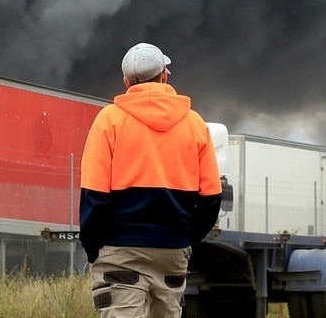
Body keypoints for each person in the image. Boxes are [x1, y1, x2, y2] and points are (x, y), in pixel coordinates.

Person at [79, 42, 222, 318]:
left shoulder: (108, 121)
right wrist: (185, 239)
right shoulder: (195, 124)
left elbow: (94, 196)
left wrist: (93, 248)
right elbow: (211, 199)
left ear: (126, 82)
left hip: (121, 251)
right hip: (172, 253)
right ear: (165, 76)